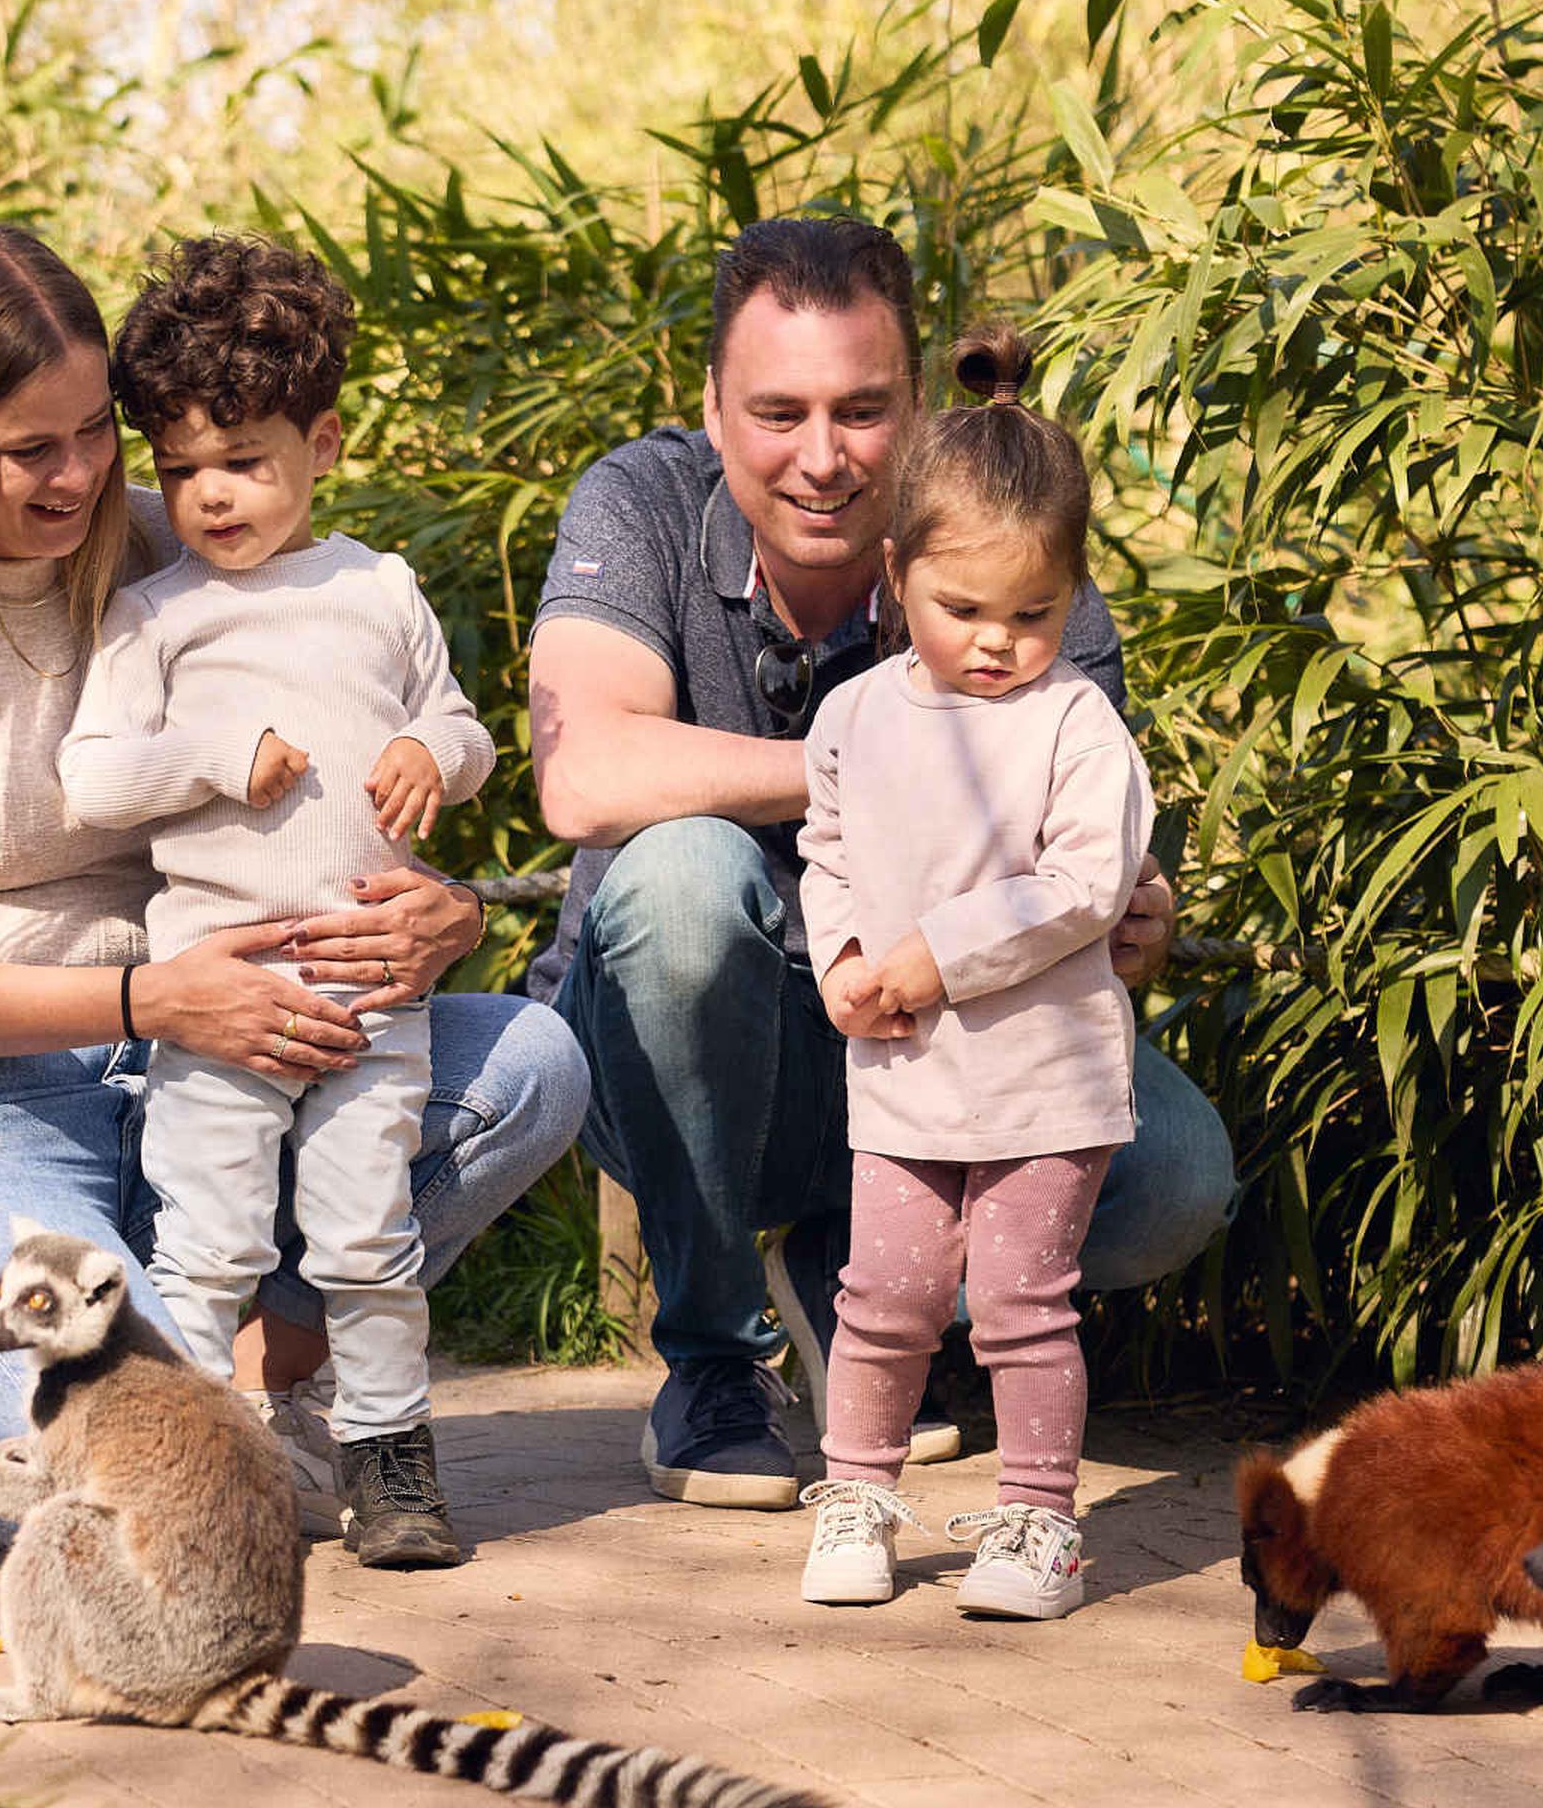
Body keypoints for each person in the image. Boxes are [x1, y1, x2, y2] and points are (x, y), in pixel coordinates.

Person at [0, 222, 586, 1557]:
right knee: (132, 1484)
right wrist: (154, 995)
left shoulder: (173, 544)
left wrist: (445, 907)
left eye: (98, 435)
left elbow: (355, 756)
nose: (80, 476)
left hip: (218, 1045)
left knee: (526, 1060)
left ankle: (240, 1380)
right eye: (32, 450)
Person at [525, 216, 1233, 1508]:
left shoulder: (1008, 546)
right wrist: (878, 768)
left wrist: (1129, 907)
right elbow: (586, 775)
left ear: (916, 407)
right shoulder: (638, 501)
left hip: (935, 1046)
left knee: (1176, 1178)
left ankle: (861, 1279)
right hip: (679, 1054)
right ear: (712, 406)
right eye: (778, 411)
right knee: (684, 883)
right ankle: (712, 1355)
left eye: (862, 410)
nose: (822, 457)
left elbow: (1077, 852)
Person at [59, 235, 497, 1568]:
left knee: (369, 1242)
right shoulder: (153, 615)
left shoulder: (378, 588)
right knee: (208, 1249)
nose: (211, 496)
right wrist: (214, 753)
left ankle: (390, 1460)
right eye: (182, 469)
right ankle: (188, 1476)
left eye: (243, 461)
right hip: (220, 998)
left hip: (374, 989)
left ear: (323, 440)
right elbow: (94, 776)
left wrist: (439, 754)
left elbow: (459, 726)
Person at [792, 321, 1151, 1619]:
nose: (996, 642)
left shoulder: (1077, 724)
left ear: (1072, 594)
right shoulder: (856, 715)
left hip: (1043, 1078)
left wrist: (927, 959)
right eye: (963, 611)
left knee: (1016, 1297)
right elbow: (825, 848)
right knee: (883, 1290)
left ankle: (1036, 1519)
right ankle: (854, 1491)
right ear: (894, 578)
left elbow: (1079, 889)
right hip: (901, 1070)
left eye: (1033, 614)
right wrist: (841, 954)